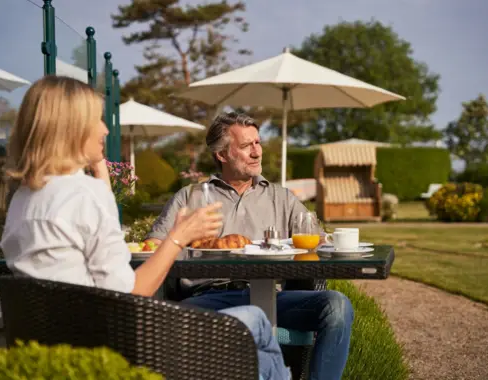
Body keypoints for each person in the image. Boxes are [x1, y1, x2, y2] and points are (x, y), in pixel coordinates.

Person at [0, 76, 289, 380]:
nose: (105, 129)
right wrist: (178, 237)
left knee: (252, 349)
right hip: (119, 346)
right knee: (256, 318)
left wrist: (98, 166)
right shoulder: (85, 195)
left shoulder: (23, 198)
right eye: (96, 119)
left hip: (64, 346)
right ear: (70, 128)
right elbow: (134, 292)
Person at [146, 111, 355, 380]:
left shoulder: (281, 198)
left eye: (258, 143)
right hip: (208, 299)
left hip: (273, 298)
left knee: (336, 306)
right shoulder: (191, 196)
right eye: (246, 146)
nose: (257, 152)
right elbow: (153, 246)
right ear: (222, 155)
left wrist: (330, 242)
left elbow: (317, 240)